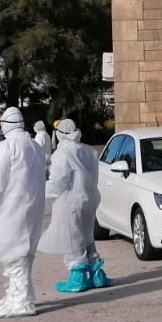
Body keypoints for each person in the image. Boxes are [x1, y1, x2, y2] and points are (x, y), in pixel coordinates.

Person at [0, 106, 47, 318]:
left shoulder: (4, 149)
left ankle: (21, 302)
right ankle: (15, 295)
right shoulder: (35, 147)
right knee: (22, 256)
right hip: (32, 208)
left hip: (11, 210)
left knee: (15, 257)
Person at [38, 118, 111, 293]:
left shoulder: (62, 154)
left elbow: (58, 183)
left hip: (70, 201)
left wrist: (38, 192)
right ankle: (97, 274)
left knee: (71, 238)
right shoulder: (88, 151)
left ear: (60, 134)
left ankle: (78, 277)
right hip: (89, 200)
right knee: (86, 236)